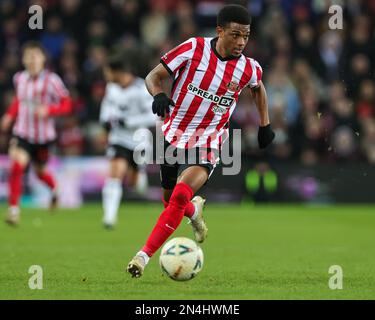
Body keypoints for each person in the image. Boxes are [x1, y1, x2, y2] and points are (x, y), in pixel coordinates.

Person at [127, 4, 275, 277]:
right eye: (235, 35)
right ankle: (194, 212)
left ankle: (142, 257)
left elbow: (258, 89)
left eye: (246, 35)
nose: (241, 42)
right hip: (172, 136)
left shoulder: (248, 68)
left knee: (180, 195)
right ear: (219, 31)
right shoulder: (193, 49)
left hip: (208, 140)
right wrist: (158, 94)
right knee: (171, 199)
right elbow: (153, 76)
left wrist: (264, 124)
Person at [0, 41, 72, 226]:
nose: (32, 59)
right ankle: (13, 210)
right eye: (28, 56)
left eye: (35, 55)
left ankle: (55, 189)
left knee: (39, 172)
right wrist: (9, 115)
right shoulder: (19, 78)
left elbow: (67, 104)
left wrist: (49, 110)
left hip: (43, 138)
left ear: (42, 59)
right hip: (22, 132)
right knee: (17, 166)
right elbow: (20, 100)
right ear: (23, 59)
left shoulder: (52, 80)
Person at [100, 51, 156, 229]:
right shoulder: (111, 88)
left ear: (119, 71)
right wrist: (106, 120)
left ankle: (140, 173)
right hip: (118, 139)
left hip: (139, 141)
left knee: (135, 185)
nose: (106, 75)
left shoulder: (141, 89)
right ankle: (109, 218)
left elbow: (154, 117)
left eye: (109, 71)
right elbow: (107, 108)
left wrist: (128, 122)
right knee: (115, 173)